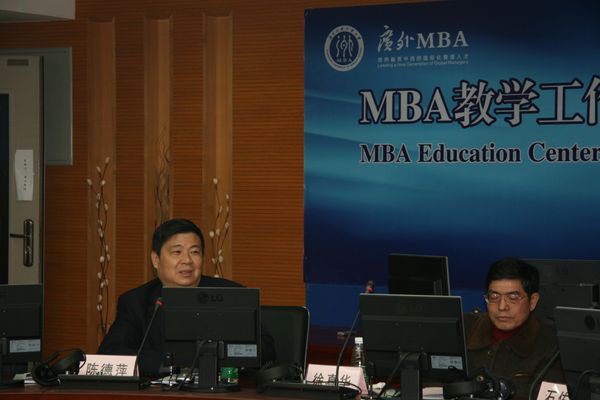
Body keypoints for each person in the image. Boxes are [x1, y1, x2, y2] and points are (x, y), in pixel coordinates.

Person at [98, 218, 274, 376]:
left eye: (194, 252)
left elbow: (264, 348)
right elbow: (110, 353)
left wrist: (210, 360)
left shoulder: (231, 294)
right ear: (156, 259)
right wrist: (173, 362)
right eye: (177, 252)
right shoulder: (136, 302)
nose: (187, 260)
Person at [464, 257, 564, 398]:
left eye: (513, 297)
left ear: (533, 301)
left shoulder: (554, 344)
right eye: (494, 296)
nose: (502, 307)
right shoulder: (464, 329)